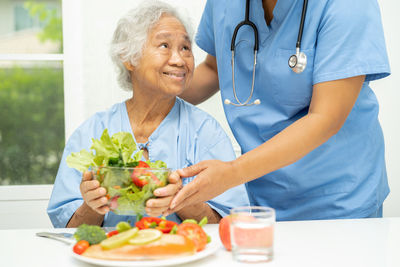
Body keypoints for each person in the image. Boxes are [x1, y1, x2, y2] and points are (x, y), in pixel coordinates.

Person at [161, 0, 391, 220]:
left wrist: (231, 173)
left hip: (338, 198)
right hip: (260, 195)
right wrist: (151, 92)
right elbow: (214, 69)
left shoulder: (347, 4)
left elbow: (325, 118)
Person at [47, 1, 249, 228]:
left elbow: (229, 225)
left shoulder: (206, 132)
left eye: (185, 48)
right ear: (128, 57)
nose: (179, 60)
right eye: (164, 45)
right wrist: (92, 205)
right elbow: (66, 231)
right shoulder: (91, 133)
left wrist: (179, 199)